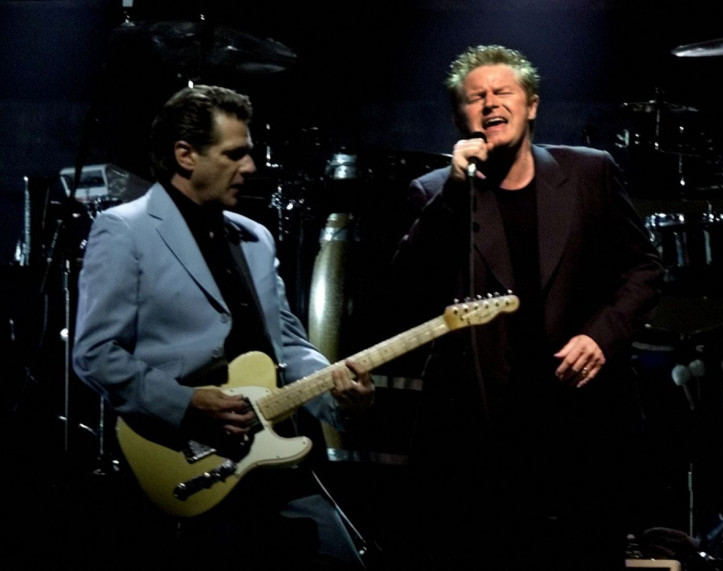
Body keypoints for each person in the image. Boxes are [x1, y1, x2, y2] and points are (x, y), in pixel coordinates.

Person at [72, 84, 374, 569]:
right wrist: (186, 404)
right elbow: (94, 353)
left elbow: (288, 345)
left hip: (274, 458)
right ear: (185, 155)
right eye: (235, 154)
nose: (250, 168)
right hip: (185, 458)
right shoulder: (124, 229)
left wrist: (334, 392)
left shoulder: (255, 237)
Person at [389, 45, 665, 570]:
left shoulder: (589, 173)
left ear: (531, 105)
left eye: (503, 92)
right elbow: (407, 288)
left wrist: (601, 335)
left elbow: (645, 270)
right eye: (476, 98)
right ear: (460, 117)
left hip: (583, 417)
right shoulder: (434, 193)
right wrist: (452, 190)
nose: (491, 103)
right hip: (482, 428)